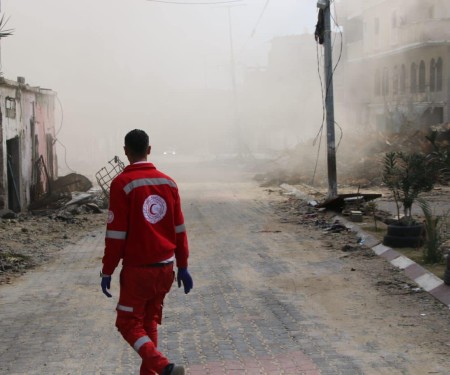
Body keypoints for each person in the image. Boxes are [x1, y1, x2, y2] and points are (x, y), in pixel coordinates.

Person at [100, 129, 193, 375]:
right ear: (149, 150)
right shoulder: (168, 182)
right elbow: (179, 229)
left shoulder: (122, 184)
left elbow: (116, 234)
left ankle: (164, 367)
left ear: (126, 151)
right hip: (165, 268)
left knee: (127, 322)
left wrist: (107, 270)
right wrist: (183, 266)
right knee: (148, 322)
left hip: (138, 271)